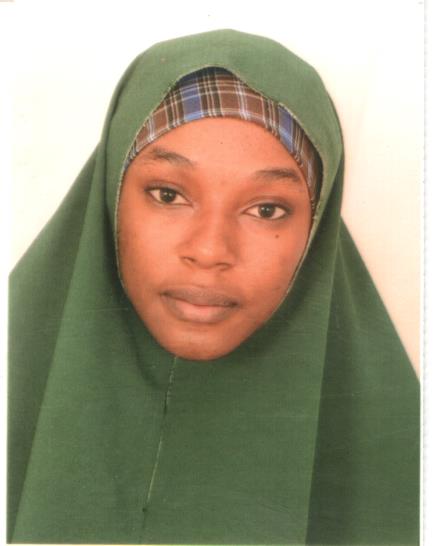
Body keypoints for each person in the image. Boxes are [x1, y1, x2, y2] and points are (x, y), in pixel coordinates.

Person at [8, 29, 419, 544]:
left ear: (315, 232)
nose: (209, 250)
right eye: (168, 194)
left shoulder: (412, 466)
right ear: (110, 197)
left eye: (265, 209)